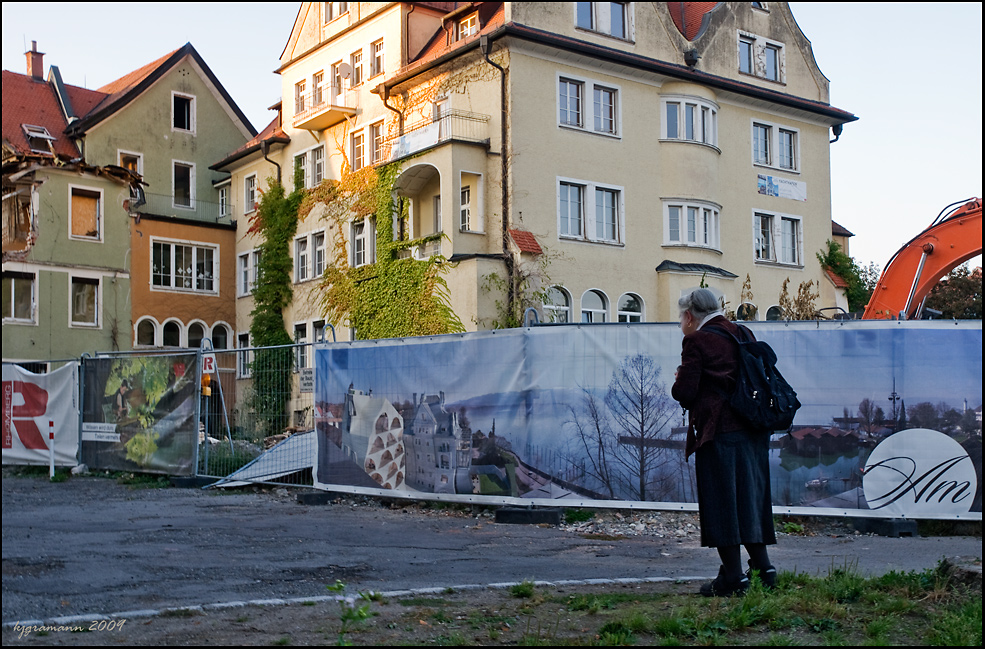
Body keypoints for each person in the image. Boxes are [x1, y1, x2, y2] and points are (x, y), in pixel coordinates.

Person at [671, 288, 776, 597]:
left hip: (719, 432)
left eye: (681, 317)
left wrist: (680, 377)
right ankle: (763, 569)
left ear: (690, 315)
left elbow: (686, 393)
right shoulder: (743, 331)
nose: (681, 323)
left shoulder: (697, 340)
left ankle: (732, 576)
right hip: (753, 429)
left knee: (722, 502)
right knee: (749, 499)